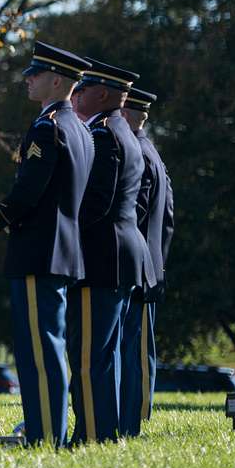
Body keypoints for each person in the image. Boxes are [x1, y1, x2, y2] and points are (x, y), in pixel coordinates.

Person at [0, 43, 94, 447]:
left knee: (39, 353)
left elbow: (29, 192)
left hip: (38, 251)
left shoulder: (49, 127)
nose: (27, 79)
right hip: (61, 251)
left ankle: (45, 437)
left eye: (35, 75)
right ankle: (50, 433)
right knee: (50, 348)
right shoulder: (79, 128)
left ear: (56, 80)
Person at [68, 59, 147, 444]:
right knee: (106, 354)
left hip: (102, 257)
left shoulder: (102, 135)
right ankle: (106, 431)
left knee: (88, 356)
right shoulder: (121, 131)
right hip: (120, 255)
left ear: (101, 93)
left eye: (81, 89)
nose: (75, 94)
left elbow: (94, 203)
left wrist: (61, 230)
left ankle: (93, 435)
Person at [122, 87, 172, 433]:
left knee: (135, 354)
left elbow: (133, 214)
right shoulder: (151, 151)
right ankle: (133, 416)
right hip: (149, 266)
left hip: (136, 267)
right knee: (137, 349)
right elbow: (167, 218)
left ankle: (133, 420)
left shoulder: (136, 153)